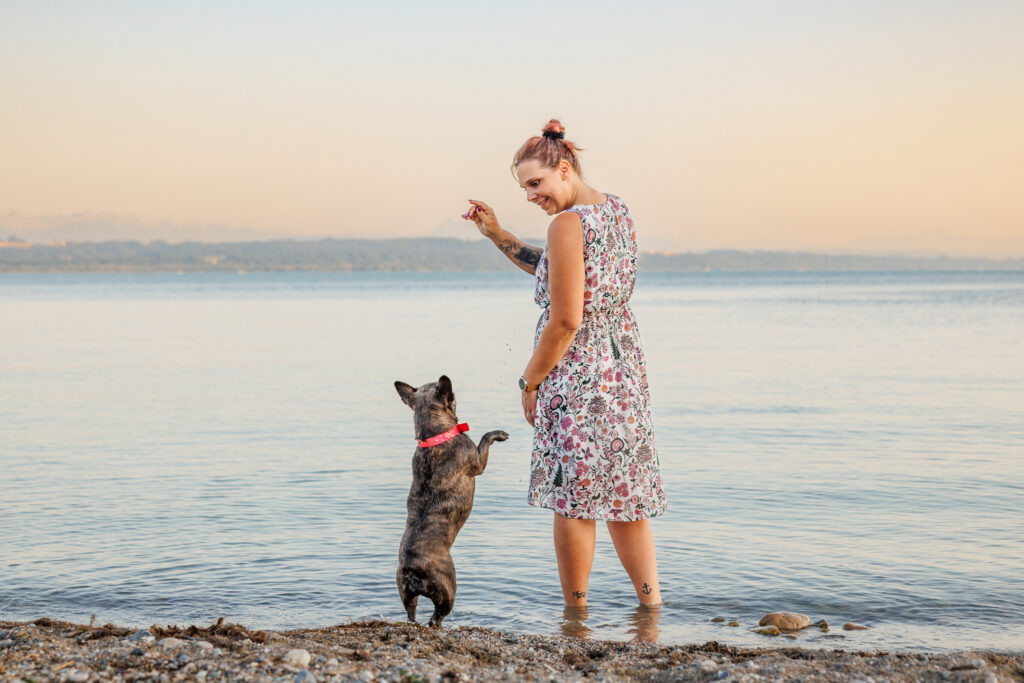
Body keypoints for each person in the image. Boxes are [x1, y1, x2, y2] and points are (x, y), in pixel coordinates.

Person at [463, 119, 667, 609]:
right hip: (621, 372)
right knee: (624, 495)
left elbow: (566, 319)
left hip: (579, 377)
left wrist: (529, 381)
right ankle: (652, 609)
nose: (531, 195)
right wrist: (498, 235)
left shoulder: (567, 224)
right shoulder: (615, 209)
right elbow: (557, 269)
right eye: (524, 188)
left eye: (536, 183)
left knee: (573, 500)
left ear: (564, 168)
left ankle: (576, 616)